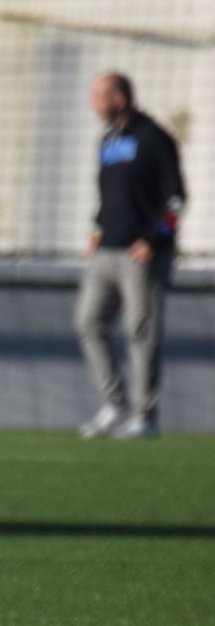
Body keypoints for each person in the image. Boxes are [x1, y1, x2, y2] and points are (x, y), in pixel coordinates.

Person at [74, 72, 186, 440]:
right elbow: (109, 196)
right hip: (107, 250)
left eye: (99, 96)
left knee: (141, 332)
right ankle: (112, 405)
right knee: (89, 323)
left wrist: (154, 240)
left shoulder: (153, 138)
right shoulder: (108, 140)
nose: (93, 103)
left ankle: (144, 416)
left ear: (119, 99)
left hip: (142, 254)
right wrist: (96, 230)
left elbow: (175, 199)